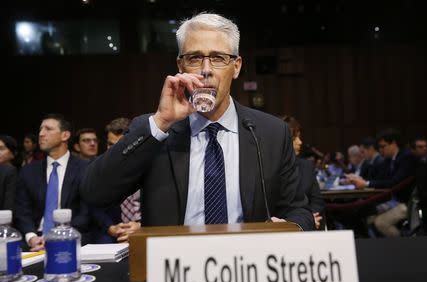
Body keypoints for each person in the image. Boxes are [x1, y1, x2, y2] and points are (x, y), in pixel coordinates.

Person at [81, 13, 314, 230]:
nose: (205, 70)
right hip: (174, 268)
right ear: (180, 66)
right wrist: (161, 122)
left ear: (236, 67)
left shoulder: (271, 132)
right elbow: (95, 193)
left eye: (218, 58)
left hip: (246, 266)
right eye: (194, 58)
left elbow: (298, 210)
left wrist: (288, 227)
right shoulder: (158, 131)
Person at [14, 114, 90, 251]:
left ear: (65, 135)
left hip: (73, 238)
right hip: (35, 241)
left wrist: (59, 236)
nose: (41, 134)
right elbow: (22, 211)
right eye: (40, 129)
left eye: (48, 129)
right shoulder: (28, 171)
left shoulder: (85, 168)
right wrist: (32, 238)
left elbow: (86, 212)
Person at [348, 128, 417, 237]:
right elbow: (381, 180)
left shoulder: (407, 157)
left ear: (393, 143)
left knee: (380, 222)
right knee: (362, 213)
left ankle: (404, 247)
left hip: (407, 203)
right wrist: (365, 182)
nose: (380, 150)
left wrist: (366, 184)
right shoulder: (389, 160)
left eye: (382, 146)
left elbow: (394, 182)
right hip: (392, 201)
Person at [90, 117, 141, 243]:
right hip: (113, 230)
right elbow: (93, 205)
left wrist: (142, 226)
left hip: (145, 229)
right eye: (110, 144)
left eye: (119, 145)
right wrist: (110, 227)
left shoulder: (151, 165)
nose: (113, 150)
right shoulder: (99, 168)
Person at [280, 115, 324, 229]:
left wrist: (309, 219)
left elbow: (317, 201)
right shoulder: (268, 166)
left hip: (307, 224)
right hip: (277, 224)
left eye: (299, 137)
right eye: (294, 138)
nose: (300, 142)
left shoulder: (307, 166)